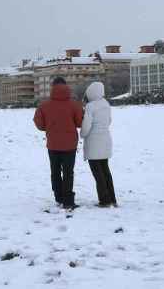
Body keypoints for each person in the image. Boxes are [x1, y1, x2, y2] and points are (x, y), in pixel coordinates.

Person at [33, 77, 84, 209]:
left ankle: (58, 197)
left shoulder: (44, 105)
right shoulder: (74, 104)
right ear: (66, 87)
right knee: (68, 172)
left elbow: (38, 123)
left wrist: (49, 127)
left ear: (53, 87)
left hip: (53, 144)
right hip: (70, 145)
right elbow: (80, 123)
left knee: (55, 171)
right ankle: (68, 201)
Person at [80, 82, 116, 208]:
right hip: (106, 142)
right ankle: (112, 198)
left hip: (94, 145)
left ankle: (104, 200)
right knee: (106, 172)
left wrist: (82, 134)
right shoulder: (106, 104)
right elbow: (109, 121)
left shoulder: (90, 107)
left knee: (98, 175)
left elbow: (86, 128)